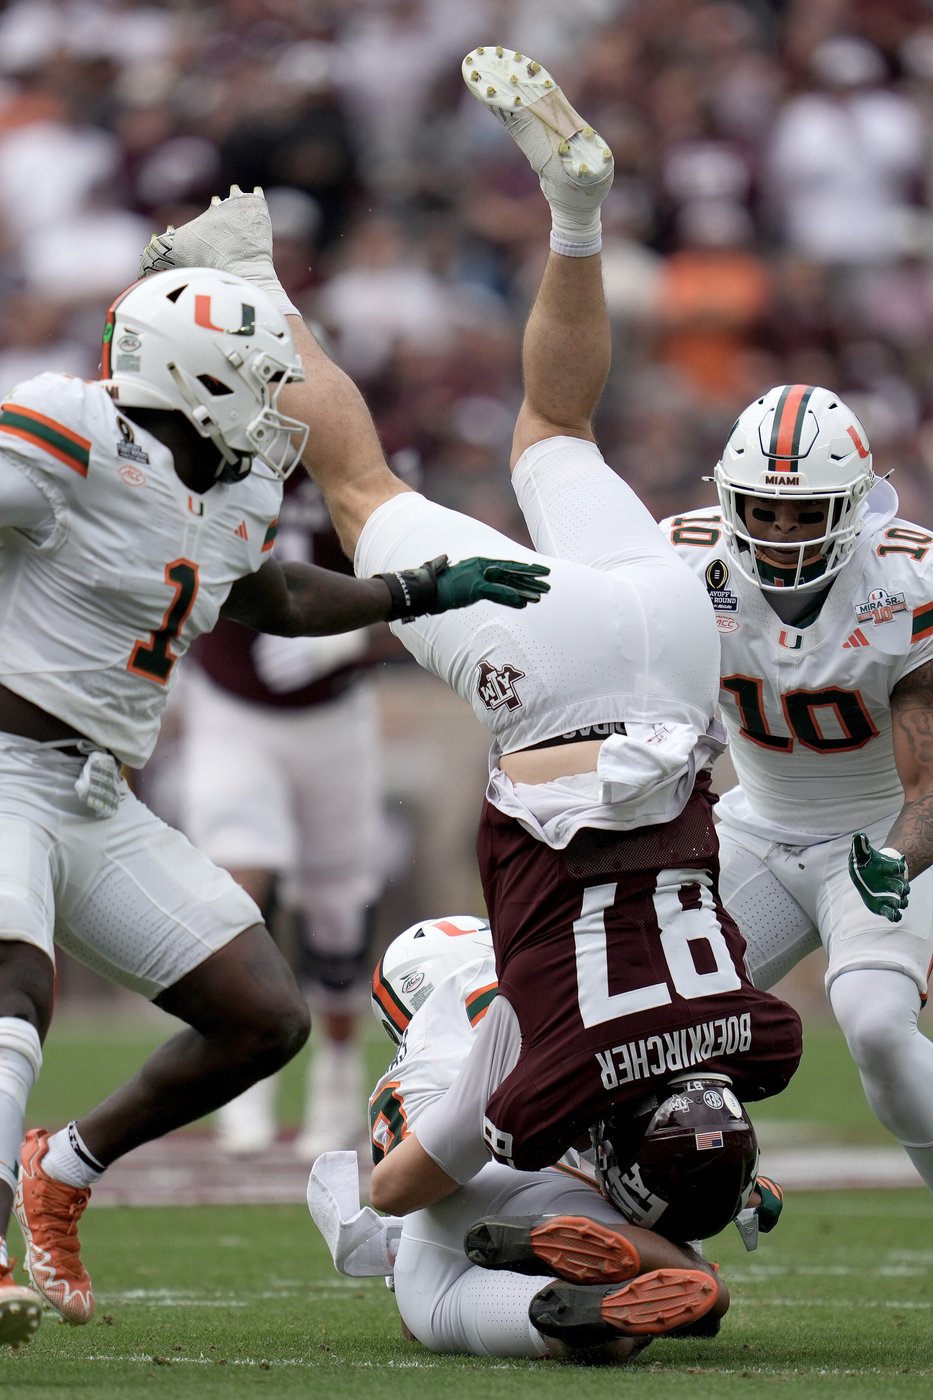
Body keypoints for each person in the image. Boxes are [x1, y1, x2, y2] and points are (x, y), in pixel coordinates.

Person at [141, 45, 803, 1268]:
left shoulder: (759, 1044)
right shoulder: (550, 1071)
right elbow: (397, 1188)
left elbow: (730, 1055)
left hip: (671, 647)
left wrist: (715, 1169)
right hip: (558, 692)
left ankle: (578, 214)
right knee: (359, 483)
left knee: (556, 429)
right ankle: (252, 288)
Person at [0, 262, 550, 1343]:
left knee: (263, 1017)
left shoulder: (236, 488)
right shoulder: (69, 426)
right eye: (257, 376)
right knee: (15, 982)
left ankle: (59, 1168)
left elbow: (276, 594)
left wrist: (414, 591)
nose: (275, 398)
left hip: (99, 794)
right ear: (185, 371)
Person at [659, 380, 933, 1196]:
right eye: (762, 510)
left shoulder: (906, 581)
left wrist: (893, 860)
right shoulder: (679, 558)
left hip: (881, 836)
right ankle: (654, 1205)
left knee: (879, 1028)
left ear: (852, 506)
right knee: (644, 1023)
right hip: (756, 828)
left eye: (806, 514)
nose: (780, 533)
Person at [311, 913, 745, 1361]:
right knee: (685, 1268)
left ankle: (576, 1317)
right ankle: (671, 1274)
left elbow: (395, 1191)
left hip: (458, 1183)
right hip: (571, 1189)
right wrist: (729, 1181)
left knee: (429, 1308)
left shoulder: (424, 1045)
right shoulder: (576, 982)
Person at [178, 465, 387, 1160]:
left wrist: (352, 634)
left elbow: (419, 583)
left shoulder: (354, 453)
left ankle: (335, 1070)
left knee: (335, 902)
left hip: (334, 712)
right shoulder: (197, 451)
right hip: (230, 703)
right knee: (240, 882)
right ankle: (246, 1068)